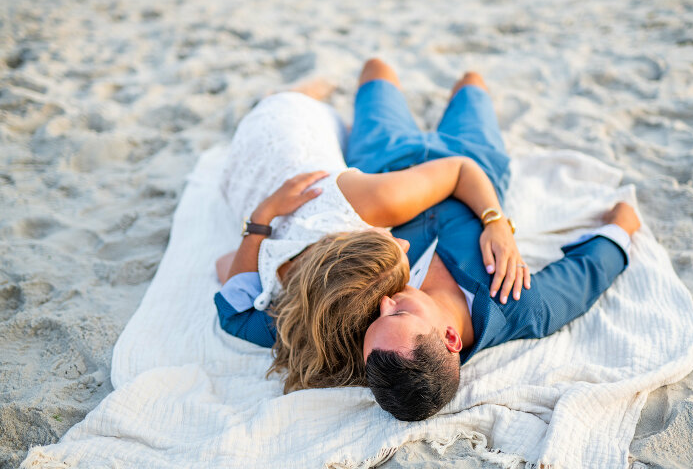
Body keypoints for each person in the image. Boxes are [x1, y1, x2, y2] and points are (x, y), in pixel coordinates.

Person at [349, 59, 640, 421]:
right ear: (451, 338)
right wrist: (623, 223)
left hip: (381, 160)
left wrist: (497, 223)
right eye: (401, 312)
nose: (386, 302)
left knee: (376, 69)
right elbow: (588, 272)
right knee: (471, 82)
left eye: (381, 316)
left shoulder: (381, 323)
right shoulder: (516, 304)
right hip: (473, 157)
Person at [214, 68, 526, 394]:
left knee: (349, 91)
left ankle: (288, 97)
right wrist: (259, 228)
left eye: (391, 240)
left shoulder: (353, 204)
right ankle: (288, 98)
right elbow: (226, 276)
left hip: (283, 127)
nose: (405, 242)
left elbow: (229, 300)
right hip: (261, 156)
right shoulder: (292, 305)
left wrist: (264, 213)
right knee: (455, 83)